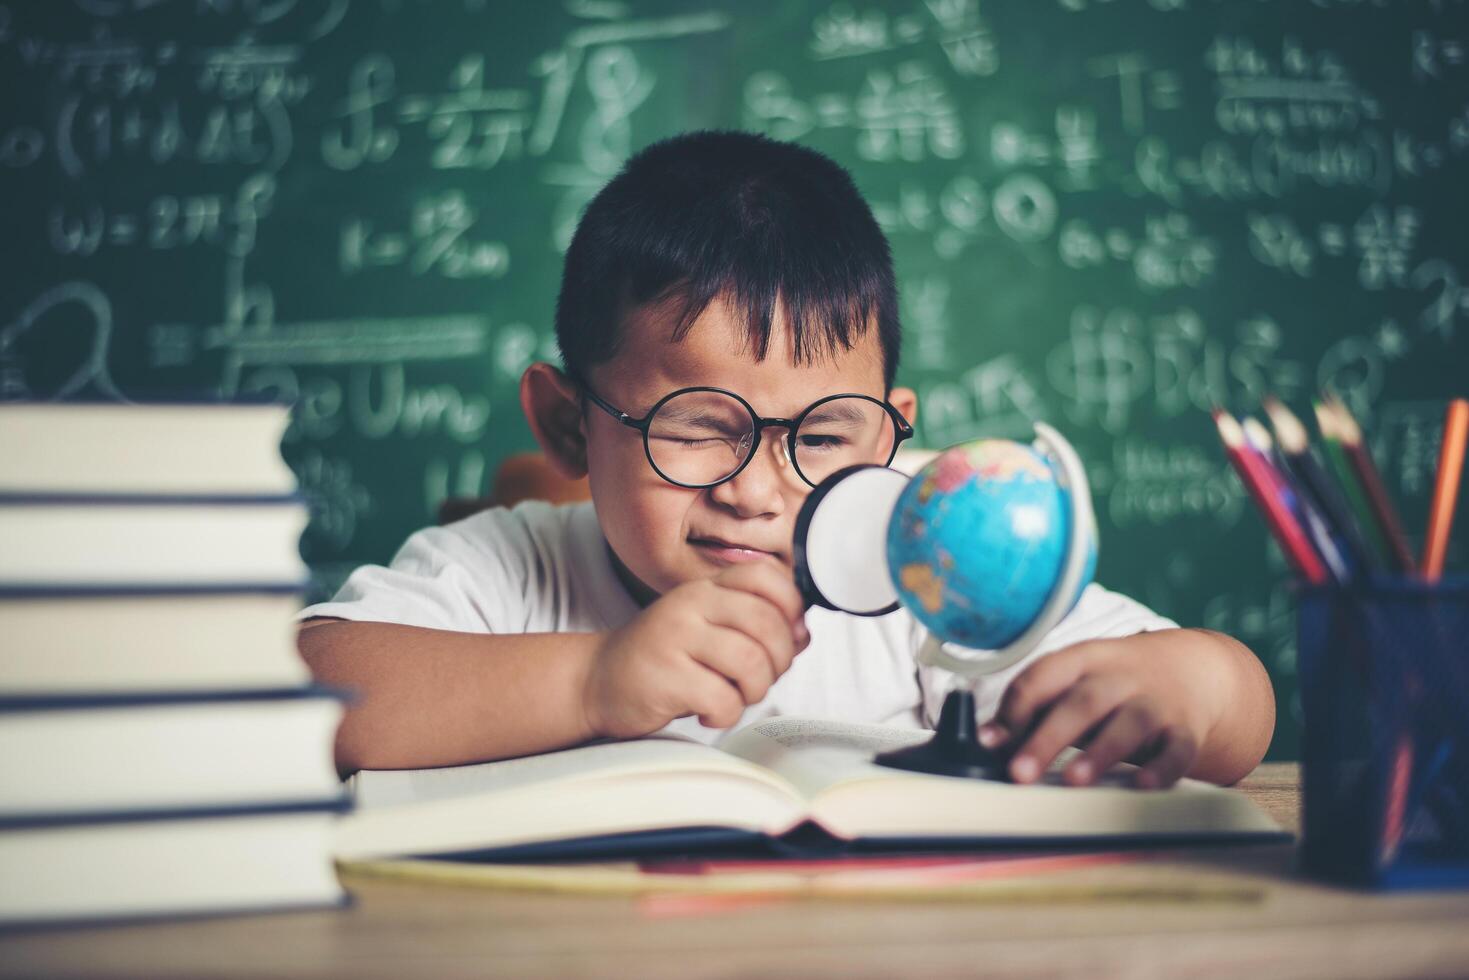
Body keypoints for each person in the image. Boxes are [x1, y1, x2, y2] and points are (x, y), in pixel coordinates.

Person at [299, 131, 1275, 789]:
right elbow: (304, 686)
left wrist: (1188, 687)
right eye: (693, 425)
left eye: (819, 437)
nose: (757, 490)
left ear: (891, 431)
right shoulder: (515, 566)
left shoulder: (929, 558)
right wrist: (591, 680)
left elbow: (1236, 710)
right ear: (565, 427)